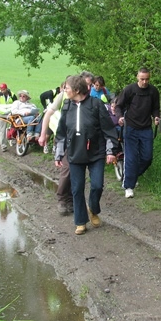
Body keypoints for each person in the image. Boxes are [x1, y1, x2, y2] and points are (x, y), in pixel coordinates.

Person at [54, 75, 118, 235]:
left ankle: (93, 209)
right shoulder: (67, 106)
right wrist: (59, 154)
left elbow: (109, 130)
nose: (64, 90)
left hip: (95, 152)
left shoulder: (96, 105)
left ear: (76, 90)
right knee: (77, 188)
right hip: (75, 153)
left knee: (97, 185)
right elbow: (61, 132)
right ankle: (80, 221)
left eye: (67, 88)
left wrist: (110, 151)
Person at [114, 67, 161, 199]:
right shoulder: (129, 90)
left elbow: (155, 108)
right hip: (130, 128)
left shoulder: (153, 91)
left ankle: (131, 175)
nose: (145, 82)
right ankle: (129, 186)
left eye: (147, 79)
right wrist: (119, 117)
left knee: (147, 157)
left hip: (146, 128)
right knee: (131, 158)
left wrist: (156, 116)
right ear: (137, 77)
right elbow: (119, 106)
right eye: (142, 79)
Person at [38, 79, 74, 214]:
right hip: (64, 138)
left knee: (77, 173)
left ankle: (71, 200)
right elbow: (49, 113)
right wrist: (42, 134)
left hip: (81, 141)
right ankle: (63, 200)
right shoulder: (62, 96)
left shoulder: (87, 97)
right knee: (67, 170)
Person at [0, 83, 17, 152]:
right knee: (2, 129)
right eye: (1, 90)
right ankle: (3, 145)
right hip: (2, 114)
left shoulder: (12, 94)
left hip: (11, 113)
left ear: (6, 88)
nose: (2, 91)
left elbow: (16, 103)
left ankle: (13, 140)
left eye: (4, 89)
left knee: (15, 126)